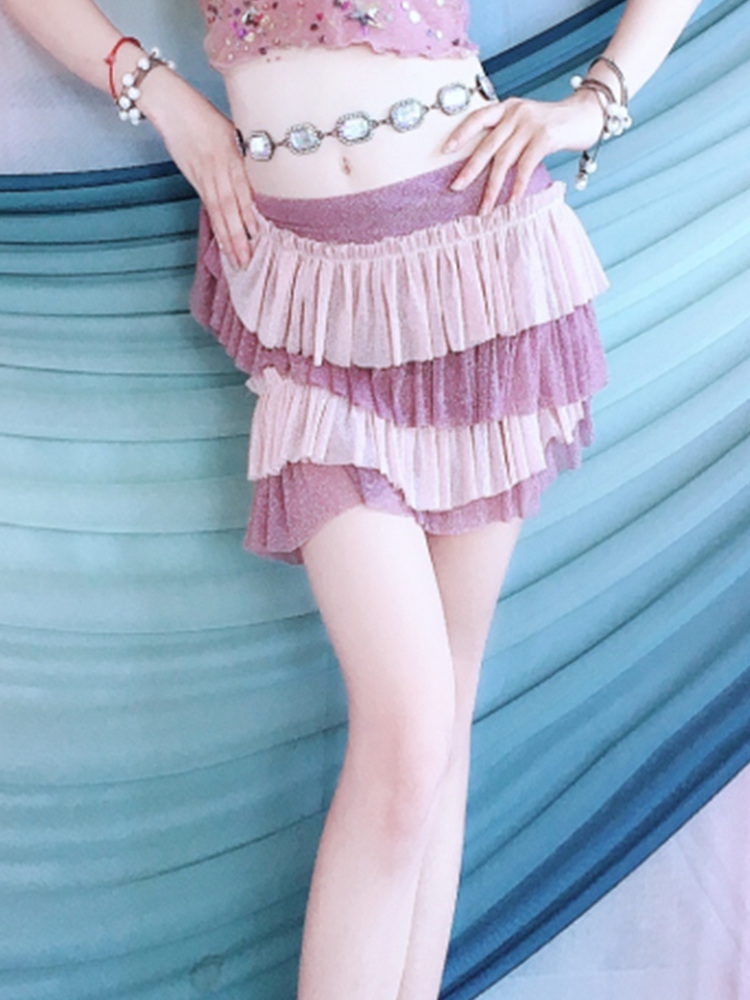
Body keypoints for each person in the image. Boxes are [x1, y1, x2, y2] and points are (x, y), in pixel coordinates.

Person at [2, 1, 703, 997]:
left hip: (478, 264)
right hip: (309, 300)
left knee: (438, 720)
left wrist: (596, 101)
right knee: (412, 724)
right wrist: (162, 97)